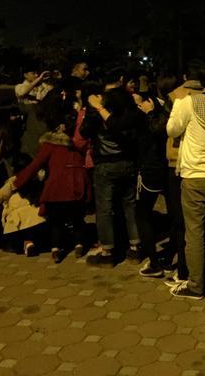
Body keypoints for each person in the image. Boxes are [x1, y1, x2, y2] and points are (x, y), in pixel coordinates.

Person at [167, 62, 205, 299]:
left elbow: (172, 130)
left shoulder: (187, 103)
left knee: (194, 232)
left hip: (193, 175)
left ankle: (196, 284)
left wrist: (176, 104)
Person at [14, 98, 91, 263]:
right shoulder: (79, 144)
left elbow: (35, 165)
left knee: (56, 221)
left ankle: (56, 249)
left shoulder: (50, 145)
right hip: (78, 186)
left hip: (57, 189)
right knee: (77, 219)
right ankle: (79, 245)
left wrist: (18, 181)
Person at [81, 69, 141, 266]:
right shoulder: (128, 101)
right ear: (121, 80)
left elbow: (84, 131)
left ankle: (107, 251)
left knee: (104, 209)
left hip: (106, 163)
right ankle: (135, 248)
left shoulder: (100, 103)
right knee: (130, 205)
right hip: (128, 160)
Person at [163, 65, 203, 285]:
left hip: (182, 165)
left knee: (184, 224)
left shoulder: (181, 99)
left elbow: (171, 130)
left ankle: (185, 272)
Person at [133, 92, 169, 277]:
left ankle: (155, 262)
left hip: (151, 170)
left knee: (142, 215)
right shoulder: (163, 115)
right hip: (164, 168)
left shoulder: (151, 120)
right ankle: (165, 258)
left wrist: (149, 113)